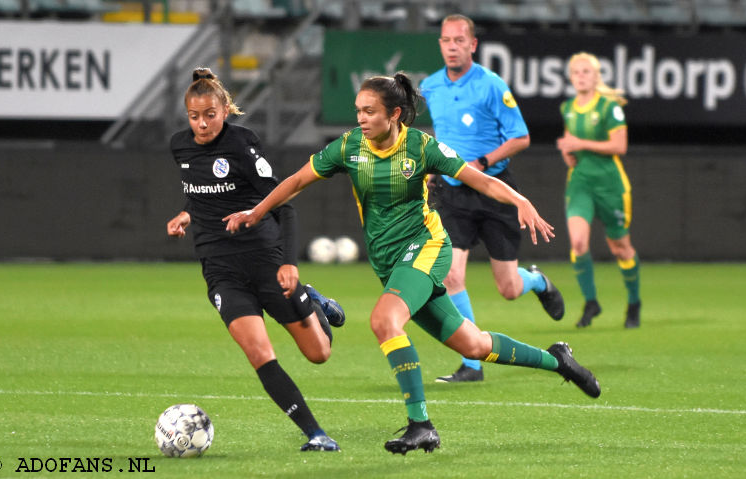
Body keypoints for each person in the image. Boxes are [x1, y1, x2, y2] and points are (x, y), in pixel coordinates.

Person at [224, 73, 601, 454]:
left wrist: (519, 200)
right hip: (390, 263)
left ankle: (420, 424)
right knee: (473, 345)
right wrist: (257, 212)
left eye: (370, 111)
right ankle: (558, 361)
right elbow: (296, 181)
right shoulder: (349, 147)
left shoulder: (421, 147)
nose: (361, 119)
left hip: (426, 247)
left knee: (384, 321)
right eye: (358, 111)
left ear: (395, 114)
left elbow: (478, 179)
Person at [165, 67, 345, 452]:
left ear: (224, 110)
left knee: (319, 354)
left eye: (209, 115)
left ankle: (311, 299)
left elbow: (284, 206)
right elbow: (202, 193)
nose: (201, 124)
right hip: (221, 270)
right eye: (194, 117)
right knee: (259, 353)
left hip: (266, 260)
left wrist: (289, 262)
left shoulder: (242, 144)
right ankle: (315, 433)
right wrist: (187, 213)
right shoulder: (179, 146)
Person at [420, 14, 565, 383]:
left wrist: (481, 162)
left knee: (508, 288)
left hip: (494, 190)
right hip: (452, 194)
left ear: (472, 45)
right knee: (451, 275)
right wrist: (434, 170)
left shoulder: (491, 84)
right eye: (445, 40)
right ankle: (472, 364)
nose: (451, 47)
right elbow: (442, 136)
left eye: (458, 41)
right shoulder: (431, 86)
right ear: (440, 44)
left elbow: (521, 137)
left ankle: (538, 282)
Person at [556, 52, 641, 329]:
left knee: (620, 247)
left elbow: (620, 146)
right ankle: (591, 302)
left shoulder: (609, 108)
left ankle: (633, 302)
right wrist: (568, 154)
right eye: (576, 72)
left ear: (596, 77)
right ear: (570, 77)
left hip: (610, 185)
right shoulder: (567, 107)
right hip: (580, 183)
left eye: (586, 72)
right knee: (578, 243)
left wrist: (579, 143)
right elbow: (574, 152)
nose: (581, 76)